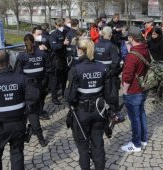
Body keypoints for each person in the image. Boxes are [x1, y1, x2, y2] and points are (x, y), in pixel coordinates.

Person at [0, 50, 39, 170]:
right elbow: (34, 96)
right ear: (9, 62)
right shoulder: (22, 78)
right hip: (18, 123)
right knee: (17, 153)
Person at [64, 38, 118, 170]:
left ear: (81, 51)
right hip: (99, 112)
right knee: (98, 144)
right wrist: (112, 110)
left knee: (83, 147)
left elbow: (69, 96)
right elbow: (110, 94)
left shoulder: (75, 70)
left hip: (81, 113)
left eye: (78, 49)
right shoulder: (103, 68)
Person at [14, 34, 49, 147]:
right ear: (34, 42)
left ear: (25, 43)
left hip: (28, 89)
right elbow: (48, 69)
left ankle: (40, 138)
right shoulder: (42, 54)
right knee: (37, 109)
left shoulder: (22, 56)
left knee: (31, 112)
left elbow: (17, 74)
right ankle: (36, 133)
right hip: (41, 86)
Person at [120, 26, 150, 152]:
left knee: (135, 118)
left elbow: (127, 77)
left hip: (133, 90)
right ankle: (143, 139)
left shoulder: (131, 56)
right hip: (143, 88)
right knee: (141, 114)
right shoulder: (145, 49)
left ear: (131, 38)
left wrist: (124, 91)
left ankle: (136, 144)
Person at [32, 26, 52, 119]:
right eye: (38, 34)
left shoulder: (42, 43)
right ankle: (37, 112)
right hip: (34, 77)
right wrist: (37, 49)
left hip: (43, 74)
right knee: (36, 95)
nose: (40, 36)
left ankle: (40, 110)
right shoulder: (31, 44)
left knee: (43, 93)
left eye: (41, 34)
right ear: (33, 34)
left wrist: (45, 49)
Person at [50, 18, 68, 105]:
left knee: (64, 78)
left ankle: (64, 94)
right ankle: (54, 97)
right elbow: (54, 46)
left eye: (62, 26)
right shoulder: (53, 34)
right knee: (55, 80)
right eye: (59, 26)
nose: (61, 27)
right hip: (57, 59)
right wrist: (62, 44)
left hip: (65, 58)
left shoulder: (65, 32)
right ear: (56, 26)